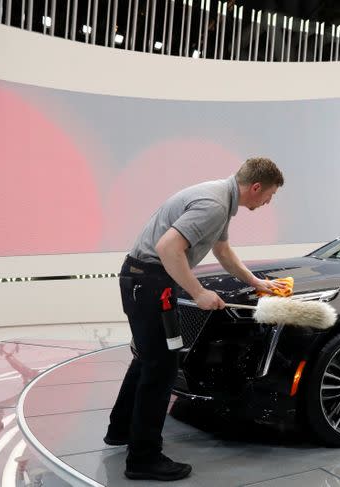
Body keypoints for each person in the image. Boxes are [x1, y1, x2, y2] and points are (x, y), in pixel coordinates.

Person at [104, 157, 287, 481]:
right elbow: (168, 248)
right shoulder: (215, 204)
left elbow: (223, 252)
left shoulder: (220, 198)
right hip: (150, 282)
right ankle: (143, 458)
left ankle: (120, 430)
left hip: (144, 281)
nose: (268, 202)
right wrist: (199, 292)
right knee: (161, 368)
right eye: (270, 195)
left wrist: (256, 283)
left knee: (148, 361)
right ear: (256, 187)